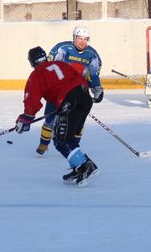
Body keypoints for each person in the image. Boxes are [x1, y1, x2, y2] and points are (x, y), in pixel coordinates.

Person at [16, 46, 99, 186]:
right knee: (70, 137)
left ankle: (86, 166)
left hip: (70, 101)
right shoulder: (60, 64)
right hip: (84, 97)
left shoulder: (36, 75)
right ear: (46, 57)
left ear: (31, 63)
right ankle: (78, 167)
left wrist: (25, 119)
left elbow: (32, 100)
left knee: (61, 141)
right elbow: (79, 78)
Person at [35, 25, 103, 155]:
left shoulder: (92, 55)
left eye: (85, 39)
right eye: (79, 38)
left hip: (78, 92)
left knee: (77, 122)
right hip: (58, 91)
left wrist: (97, 89)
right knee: (50, 119)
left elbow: (93, 74)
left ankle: (74, 146)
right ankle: (43, 144)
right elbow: (51, 67)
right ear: (74, 38)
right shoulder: (63, 49)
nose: (82, 41)